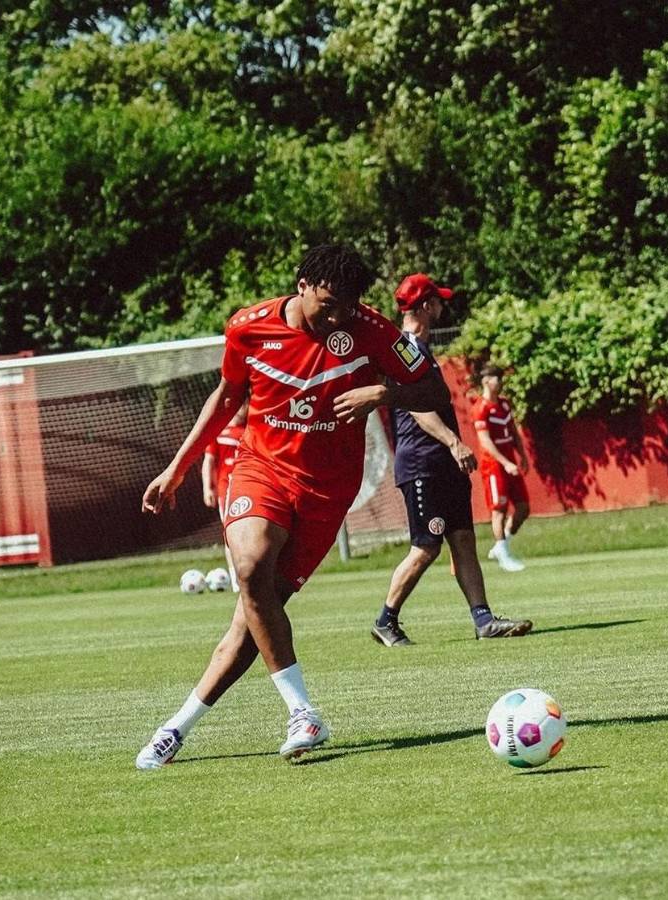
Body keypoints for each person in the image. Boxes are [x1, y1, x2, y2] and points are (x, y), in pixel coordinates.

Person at [136, 244, 449, 768]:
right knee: (252, 566)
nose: (337, 317)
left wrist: (383, 395)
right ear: (302, 284)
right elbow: (227, 395)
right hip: (261, 469)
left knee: (253, 618)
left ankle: (176, 726)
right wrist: (178, 467)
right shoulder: (248, 328)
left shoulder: (373, 332)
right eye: (328, 304)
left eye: (347, 307)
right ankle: (302, 711)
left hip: (327, 491)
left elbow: (435, 391)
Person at [370, 274, 533, 647]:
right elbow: (415, 408)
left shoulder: (422, 349)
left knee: (463, 540)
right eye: (438, 302)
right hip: (422, 463)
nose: (442, 308)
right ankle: (385, 620)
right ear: (426, 305)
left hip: (442, 461)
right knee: (427, 546)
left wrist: (452, 450)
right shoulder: (406, 349)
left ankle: (484, 620)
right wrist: (454, 443)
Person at [471, 363, 531, 572]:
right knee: (499, 510)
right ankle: (503, 553)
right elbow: (485, 441)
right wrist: (505, 463)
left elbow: (513, 431)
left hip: (510, 461)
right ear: (486, 381)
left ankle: (501, 545)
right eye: (497, 378)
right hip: (494, 466)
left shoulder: (504, 404)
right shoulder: (481, 408)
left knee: (523, 507)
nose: (500, 382)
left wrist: (522, 455)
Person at [201, 400, 247, 592]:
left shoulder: (250, 430)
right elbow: (208, 461)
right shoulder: (218, 432)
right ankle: (236, 578)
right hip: (226, 489)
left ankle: (251, 575)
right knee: (231, 533)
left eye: (243, 405)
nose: (240, 410)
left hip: (247, 487)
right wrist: (207, 488)